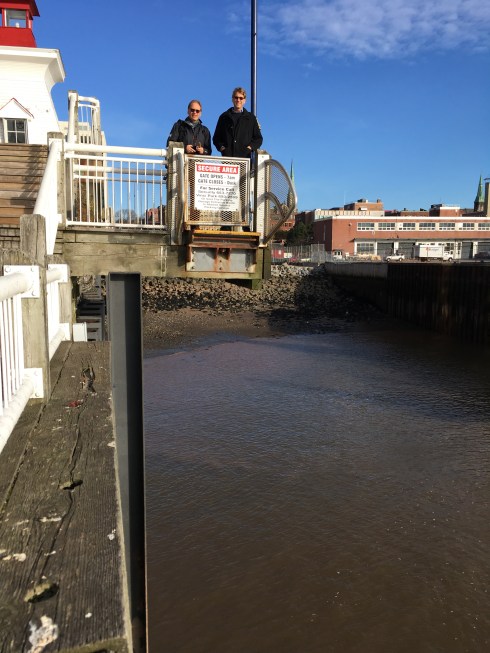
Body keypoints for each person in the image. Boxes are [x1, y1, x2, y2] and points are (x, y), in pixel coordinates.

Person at [213, 87, 263, 159]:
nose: (238, 100)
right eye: (236, 97)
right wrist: (223, 149)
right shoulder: (223, 117)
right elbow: (216, 138)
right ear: (232, 99)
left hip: (245, 160)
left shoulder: (251, 118)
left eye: (241, 98)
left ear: (244, 100)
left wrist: (249, 148)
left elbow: (258, 139)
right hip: (227, 160)